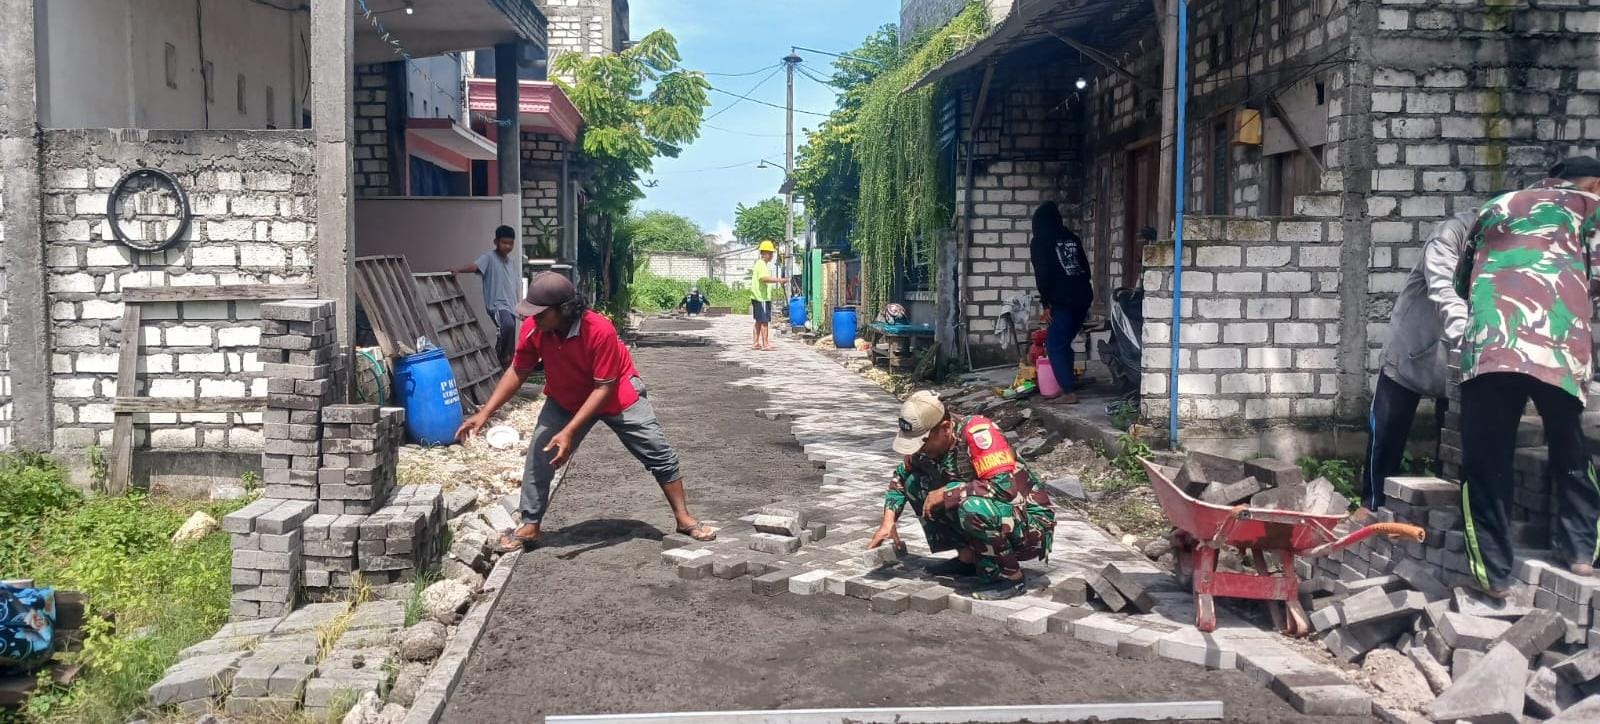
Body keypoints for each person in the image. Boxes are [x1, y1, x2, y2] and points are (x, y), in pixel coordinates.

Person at [456, 271, 717, 552]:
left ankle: (683, 518)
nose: (532, 318)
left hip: (616, 394)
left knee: (657, 450)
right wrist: (485, 413)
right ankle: (531, 524)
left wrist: (569, 432)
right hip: (566, 396)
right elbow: (518, 371)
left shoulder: (599, 329)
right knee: (540, 455)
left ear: (564, 309)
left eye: (540, 313)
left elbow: (604, 388)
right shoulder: (535, 328)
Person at [1455, 156, 1600, 597]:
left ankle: (1493, 576)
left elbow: (1463, 280)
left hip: (1492, 342)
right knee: (1569, 447)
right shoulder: (1592, 210)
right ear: (1595, 184)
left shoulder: (1497, 205)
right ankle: (1579, 552)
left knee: (1486, 459)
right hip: (1559, 345)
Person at [866, 391, 1056, 601]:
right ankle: (968, 559)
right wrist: (888, 521)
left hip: (1029, 527)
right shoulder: (927, 447)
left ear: (945, 428)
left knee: (969, 503)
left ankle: (1011, 577)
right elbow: (900, 478)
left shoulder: (979, 433)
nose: (919, 449)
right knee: (916, 483)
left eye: (923, 442)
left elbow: (1004, 489)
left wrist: (947, 493)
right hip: (994, 514)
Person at [1364, 211, 1477, 509]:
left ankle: (1438, 514)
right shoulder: (1449, 236)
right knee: (1386, 438)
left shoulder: (1509, 245)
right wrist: (1467, 339)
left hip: (1456, 365)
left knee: (1452, 448)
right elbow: (1445, 291)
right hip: (1410, 352)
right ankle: (1371, 507)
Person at [1029, 202, 1093, 404]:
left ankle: (1068, 391)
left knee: (1055, 344)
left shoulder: (1040, 241)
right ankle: (1068, 383)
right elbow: (1086, 269)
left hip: (1062, 300)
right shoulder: (1071, 237)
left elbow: (1043, 274)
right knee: (1064, 342)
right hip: (1083, 297)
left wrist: (1046, 304)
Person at [451, 225, 521, 369]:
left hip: (511, 307)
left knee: (510, 341)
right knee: (507, 325)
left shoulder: (511, 263)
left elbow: (513, 286)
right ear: (496, 242)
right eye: (504, 242)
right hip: (497, 306)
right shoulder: (489, 258)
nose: (508, 246)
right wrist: (458, 269)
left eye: (511, 243)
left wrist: (519, 307)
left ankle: (505, 369)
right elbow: (474, 266)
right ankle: (500, 354)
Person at [750, 240, 785, 351]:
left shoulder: (761, 264)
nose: (771, 256)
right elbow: (764, 278)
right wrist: (779, 280)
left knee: (759, 321)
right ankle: (765, 344)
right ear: (764, 253)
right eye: (770, 253)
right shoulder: (761, 264)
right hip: (762, 298)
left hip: (757, 297)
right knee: (764, 321)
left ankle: (755, 343)